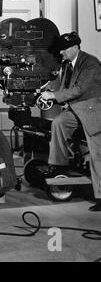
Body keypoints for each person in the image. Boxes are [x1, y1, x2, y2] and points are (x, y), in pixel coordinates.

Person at [41, 32, 101, 212]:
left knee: (98, 155)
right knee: (58, 122)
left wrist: (54, 95)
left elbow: (80, 89)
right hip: (77, 109)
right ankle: (59, 165)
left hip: (93, 111)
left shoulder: (91, 63)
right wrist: (51, 92)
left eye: (64, 49)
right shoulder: (68, 65)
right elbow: (66, 88)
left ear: (75, 48)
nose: (61, 52)